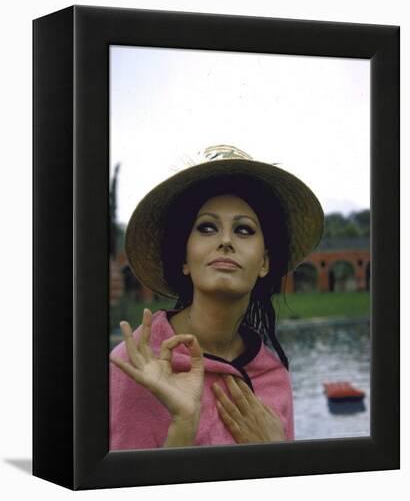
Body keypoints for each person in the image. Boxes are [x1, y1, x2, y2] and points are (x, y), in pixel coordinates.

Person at [109, 145, 324, 450]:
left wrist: (277, 452)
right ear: (184, 258)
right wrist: (184, 425)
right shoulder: (135, 365)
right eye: (207, 227)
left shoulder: (274, 378)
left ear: (264, 263)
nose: (225, 241)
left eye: (244, 230)